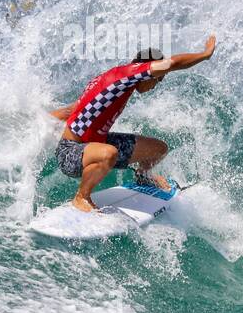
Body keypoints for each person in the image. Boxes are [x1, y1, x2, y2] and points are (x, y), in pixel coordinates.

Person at [49, 36, 217, 212]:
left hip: (94, 145)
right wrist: (205, 54)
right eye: (158, 78)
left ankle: (143, 177)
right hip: (71, 152)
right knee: (109, 153)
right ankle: (81, 197)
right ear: (147, 70)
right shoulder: (128, 74)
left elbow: (73, 110)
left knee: (158, 149)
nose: (157, 84)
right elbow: (171, 63)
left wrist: (38, 121)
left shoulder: (116, 81)